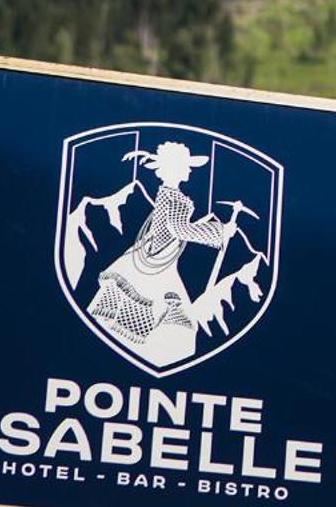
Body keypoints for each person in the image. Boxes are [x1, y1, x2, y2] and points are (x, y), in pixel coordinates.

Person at [87, 140, 238, 368]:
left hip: (155, 259)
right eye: (186, 166)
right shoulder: (174, 198)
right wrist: (220, 232)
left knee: (174, 321)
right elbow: (179, 229)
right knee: (173, 321)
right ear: (176, 168)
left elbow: (173, 229)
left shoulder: (166, 194)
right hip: (156, 264)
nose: (189, 170)